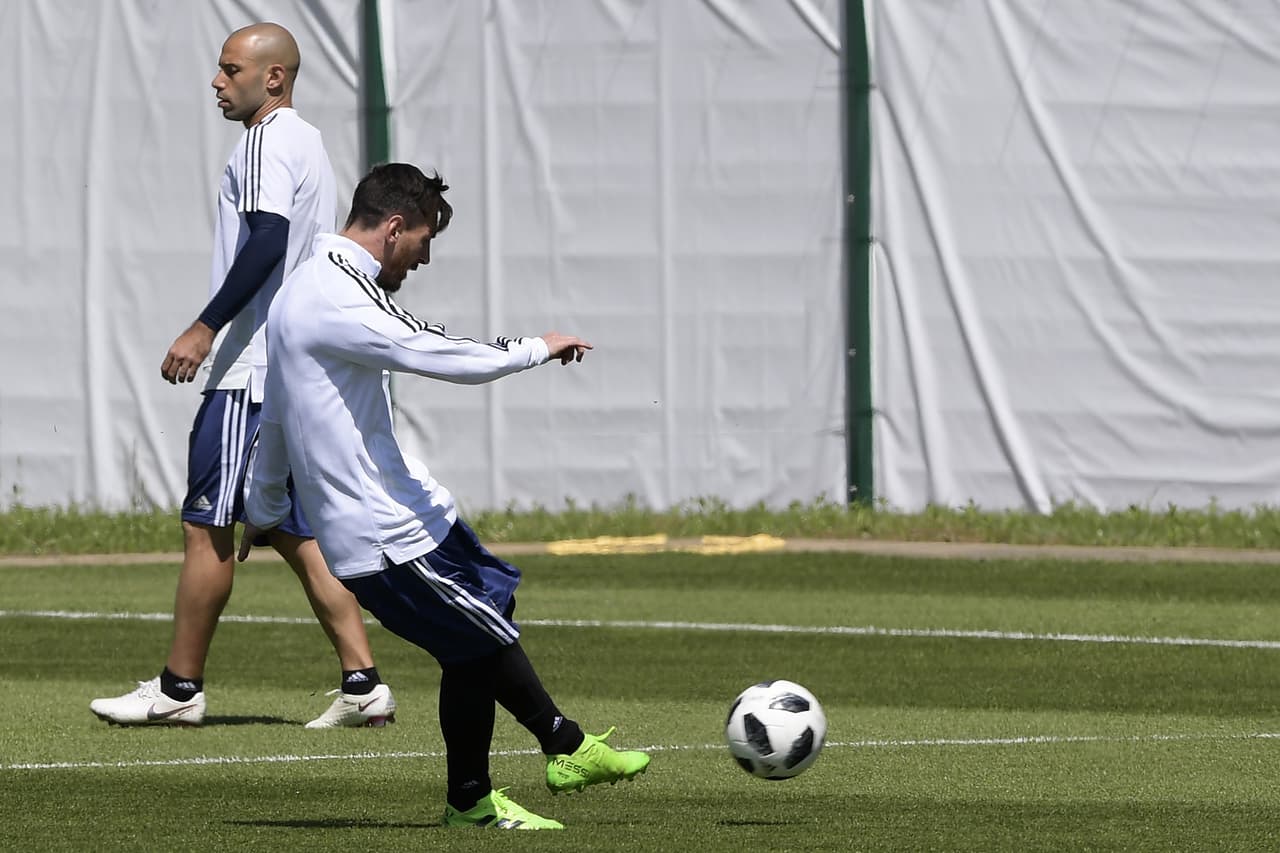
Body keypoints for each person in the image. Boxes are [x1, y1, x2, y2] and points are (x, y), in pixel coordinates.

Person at [237, 162, 650, 830]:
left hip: (418, 513)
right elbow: (437, 352)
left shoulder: (304, 290)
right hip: (380, 534)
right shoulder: (333, 296)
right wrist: (535, 347)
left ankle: (473, 799)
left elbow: (278, 416)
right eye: (424, 241)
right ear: (395, 227)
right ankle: (564, 746)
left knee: (474, 638)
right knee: (483, 638)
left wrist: (262, 508)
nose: (424, 259)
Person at [90, 22, 396, 729]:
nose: (217, 82)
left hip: (251, 372)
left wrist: (205, 327)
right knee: (288, 526)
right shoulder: (310, 141)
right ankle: (362, 682)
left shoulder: (265, 140)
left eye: (231, 70)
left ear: (274, 78)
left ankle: (177, 688)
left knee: (207, 527)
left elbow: (267, 238)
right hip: (287, 368)